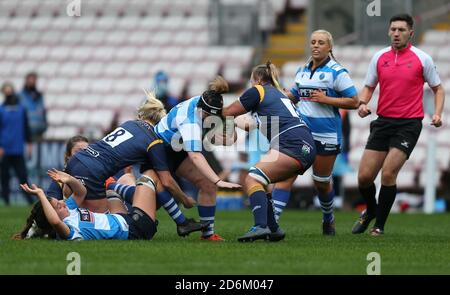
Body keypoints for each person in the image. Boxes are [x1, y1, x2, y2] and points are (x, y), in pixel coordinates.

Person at [352, 14, 445, 236]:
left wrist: (438, 114)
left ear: (410, 33)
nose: (396, 33)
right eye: (393, 29)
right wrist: (362, 103)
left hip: (408, 124)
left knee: (388, 174)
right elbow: (368, 87)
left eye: (401, 30)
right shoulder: (379, 57)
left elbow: (438, 88)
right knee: (364, 177)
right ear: (388, 31)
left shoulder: (422, 59)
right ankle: (371, 211)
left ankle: (378, 227)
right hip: (383, 122)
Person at [271, 30, 359, 235]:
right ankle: (270, 223)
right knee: (286, 177)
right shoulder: (301, 70)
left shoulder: (338, 72)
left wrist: (327, 99)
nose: (316, 46)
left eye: (321, 42)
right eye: (313, 42)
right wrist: (278, 92)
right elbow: (293, 96)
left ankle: (328, 218)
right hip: (302, 134)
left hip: (327, 135)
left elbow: (354, 101)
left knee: (320, 182)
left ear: (330, 47)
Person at [222, 61, 316, 242]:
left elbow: (228, 111)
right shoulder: (278, 96)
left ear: (257, 79)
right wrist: (234, 121)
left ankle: (260, 226)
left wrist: (208, 109)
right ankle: (273, 228)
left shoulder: (258, 91)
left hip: (292, 142)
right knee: (262, 180)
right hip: (304, 143)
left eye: (251, 80)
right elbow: (248, 125)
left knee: (253, 178)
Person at [64, 93, 194, 214]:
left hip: (78, 160)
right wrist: (185, 199)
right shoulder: (154, 140)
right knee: (99, 223)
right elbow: (166, 181)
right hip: (94, 171)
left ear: (142, 115)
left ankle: (50, 222)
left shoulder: (129, 124)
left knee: (72, 210)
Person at [154, 76, 242, 241]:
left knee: (207, 185)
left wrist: (231, 119)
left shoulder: (206, 106)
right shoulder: (189, 119)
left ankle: (207, 235)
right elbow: (195, 155)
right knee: (154, 198)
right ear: (202, 111)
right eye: (210, 117)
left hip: (178, 150)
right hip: (159, 149)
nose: (211, 121)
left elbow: (228, 140)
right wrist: (218, 180)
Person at [15, 168, 158, 241]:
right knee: (149, 175)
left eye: (59, 201)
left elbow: (81, 192)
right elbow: (54, 220)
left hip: (123, 218)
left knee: (110, 193)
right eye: (58, 206)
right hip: (136, 228)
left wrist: (69, 179)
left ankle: (145, 207)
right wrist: (40, 193)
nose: (62, 203)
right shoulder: (69, 229)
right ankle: (172, 217)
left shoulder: (69, 210)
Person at [0, 82, 33, 205]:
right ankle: (6, 201)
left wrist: (29, 144)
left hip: (18, 149)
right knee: (5, 177)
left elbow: (26, 127)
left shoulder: (21, 109)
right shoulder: (1, 109)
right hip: (5, 149)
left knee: (23, 176)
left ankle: (30, 200)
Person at [46, 135, 89, 200]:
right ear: (69, 155)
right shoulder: (60, 179)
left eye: (87, 151)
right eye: (78, 151)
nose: (83, 155)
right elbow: (52, 205)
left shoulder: (100, 175)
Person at [19, 72, 47, 141]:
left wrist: (44, 126)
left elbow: (42, 112)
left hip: (39, 132)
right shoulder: (20, 96)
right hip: (25, 133)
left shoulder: (39, 96)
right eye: (30, 80)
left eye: (34, 80)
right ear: (26, 81)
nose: (32, 82)